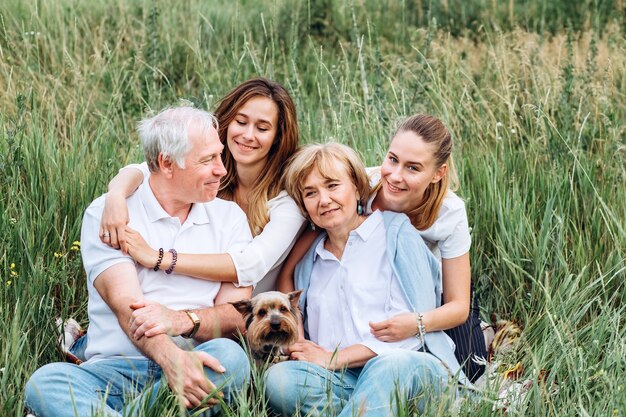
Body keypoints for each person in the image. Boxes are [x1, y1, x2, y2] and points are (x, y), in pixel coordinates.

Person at [24, 107, 253, 417]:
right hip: (114, 372)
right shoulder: (111, 213)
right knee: (44, 383)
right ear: (167, 163)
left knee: (231, 357)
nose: (222, 170)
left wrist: (183, 320)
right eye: (207, 160)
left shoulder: (230, 219)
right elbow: (127, 307)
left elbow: (237, 316)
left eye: (219, 156)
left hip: (196, 363)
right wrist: (172, 361)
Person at [277, 114, 487, 381]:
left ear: (438, 173)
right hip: (371, 287)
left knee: (470, 370)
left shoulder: (450, 213)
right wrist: (298, 339)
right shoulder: (361, 185)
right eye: (392, 159)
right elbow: (310, 243)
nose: (395, 176)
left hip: (436, 298)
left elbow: (458, 306)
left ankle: (481, 332)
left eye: (413, 168)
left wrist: (416, 324)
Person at [264, 143, 468, 417]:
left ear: (358, 188)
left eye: (333, 186)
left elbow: (407, 338)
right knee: (279, 380)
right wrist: (300, 344)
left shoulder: (396, 234)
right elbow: (288, 289)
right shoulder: (310, 258)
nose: (323, 200)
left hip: (408, 369)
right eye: (311, 193)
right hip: (342, 380)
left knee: (388, 367)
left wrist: (330, 359)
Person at [100, 78, 305, 301]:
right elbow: (150, 168)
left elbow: (249, 266)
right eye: (241, 121)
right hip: (201, 301)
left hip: (253, 318)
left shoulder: (286, 202)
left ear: (278, 137)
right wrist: (116, 196)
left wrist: (158, 258)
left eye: (262, 128)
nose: (248, 135)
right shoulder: (211, 176)